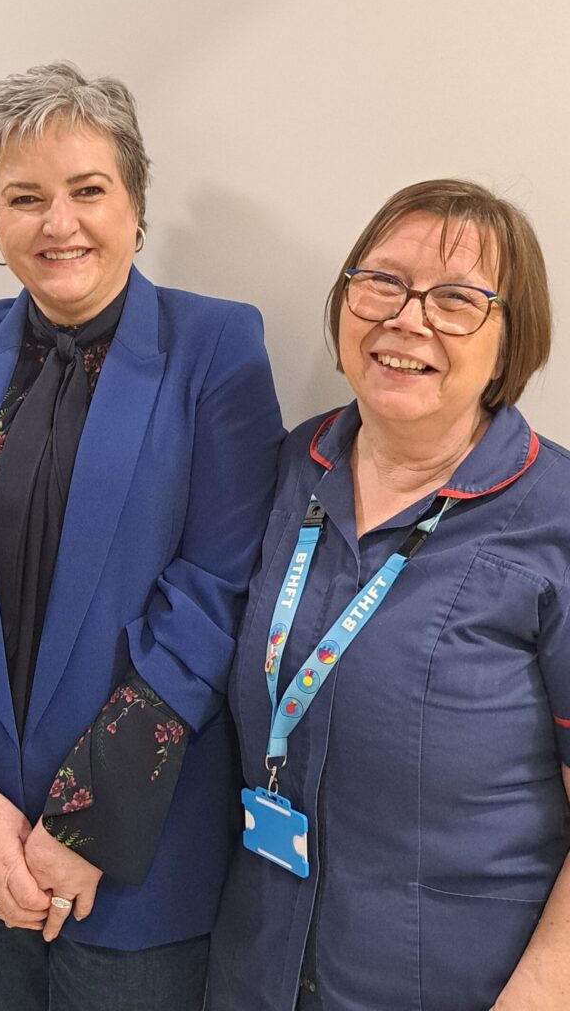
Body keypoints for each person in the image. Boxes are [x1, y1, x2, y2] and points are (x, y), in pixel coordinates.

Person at [0, 62, 284, 1011]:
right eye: (25, 198)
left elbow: (217, 593)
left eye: (89, 190)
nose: (60, 223)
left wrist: (84, 826)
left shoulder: (216, 346)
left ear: (135, 204)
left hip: (140, 853)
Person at [207, 179, 570, 1011]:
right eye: (382, 284)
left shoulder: (555, 519)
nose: (407, 319)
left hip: (462, 981)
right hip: (257, 968)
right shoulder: (290, 466)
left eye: (457, 300)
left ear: (512, 343)